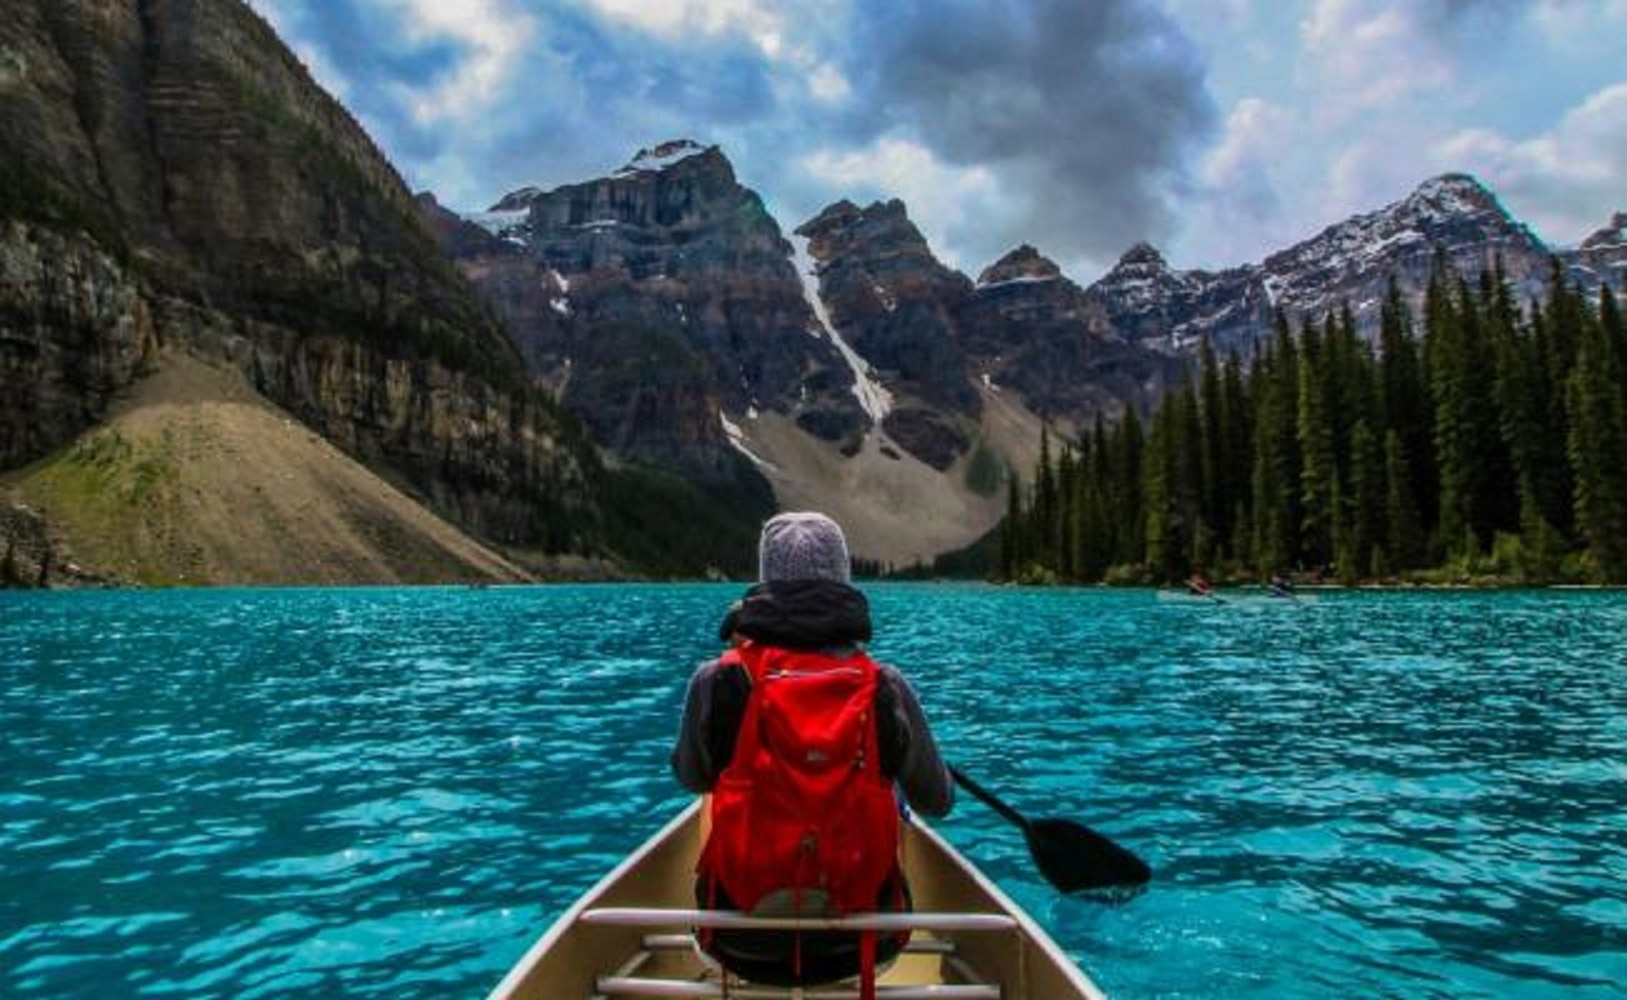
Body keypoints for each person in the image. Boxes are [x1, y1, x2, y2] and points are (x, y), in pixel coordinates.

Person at [671, 511, 954, 990]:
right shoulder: (885, 686)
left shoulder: (716, 680)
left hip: (737, 947)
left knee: (712, 793)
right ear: (841, 578)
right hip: (866, 948)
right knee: (893, 796)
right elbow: (939, 802)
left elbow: (692, 778)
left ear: (765, 581)